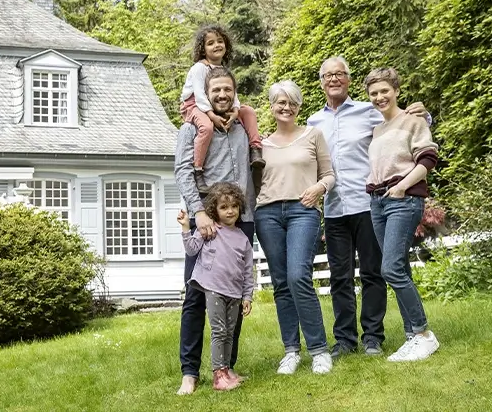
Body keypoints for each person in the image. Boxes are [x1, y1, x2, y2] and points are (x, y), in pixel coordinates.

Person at [307, 56, 429, 358]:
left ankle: (373, 337)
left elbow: (403, 125)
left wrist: (425, 116)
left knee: (374, 273)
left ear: (348, 79)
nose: (334, 79)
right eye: (327, 75)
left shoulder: (369, 111)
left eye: (340, 74)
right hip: (334, 208)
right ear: (321, 81)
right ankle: (345, 340)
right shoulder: (313, 122)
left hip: (368, 204)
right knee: (340, 277)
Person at [173, 66, 257, 395]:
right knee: (195, 297)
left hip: (241, 218)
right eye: (216, 90)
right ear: (207, 94)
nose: (223, 94)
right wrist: (198, 212)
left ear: (234, 92)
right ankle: (190, 372)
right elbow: (183, 171)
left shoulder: (242, 127)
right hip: (205, 218)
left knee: (233, 293)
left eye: (228, 89)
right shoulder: (191, 129)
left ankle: (226, 366)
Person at [254, 80, 336, 375]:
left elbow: (329, 175)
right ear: (272, 107)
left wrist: (318, 189)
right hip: (267, 214)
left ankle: (319, 350)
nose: (286, 107)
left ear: (299, 107)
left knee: (298, 276)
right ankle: (291, 351)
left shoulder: (313, 135)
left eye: (292, 102)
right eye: (280, 102)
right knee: (280, 283)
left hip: (303, 210)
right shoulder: (260, 143)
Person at [364, 67, 440, 362]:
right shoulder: (378, 129)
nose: (380, 97)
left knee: (390, 268)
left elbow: (428, 158)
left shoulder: (413, 120)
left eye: (384, 91)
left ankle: (423, 334)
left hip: (403, 199)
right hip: (378, 202)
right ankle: (412, 337)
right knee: (399, 269)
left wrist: (402, 186)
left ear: (396, 90)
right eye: (374, 93)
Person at [177, 182, 254, 391]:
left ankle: (227, 369)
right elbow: (192, 250)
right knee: (219, 331)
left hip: (235, 293)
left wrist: (247, 296)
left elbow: (248, 270)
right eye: (224, 207)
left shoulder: (243, 238)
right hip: (213, 289)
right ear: (214, 210)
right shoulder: (209, 230)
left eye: (234, 206)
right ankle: (218, 376)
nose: (230, 211)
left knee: (229, 332)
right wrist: (186, 227)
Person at [180, 25, 264, 194]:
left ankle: (255, 150)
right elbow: (200, 96)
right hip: (194, 105)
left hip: (211, 105)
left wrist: (235, 111)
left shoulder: (223, 70)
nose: (216, 45)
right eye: (210, 43)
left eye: (220, 41)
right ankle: (198, 169)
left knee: (248, 112)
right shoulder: (199, 68)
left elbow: (234, 95)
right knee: (206, 128)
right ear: (203, 49)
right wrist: (211, 116)